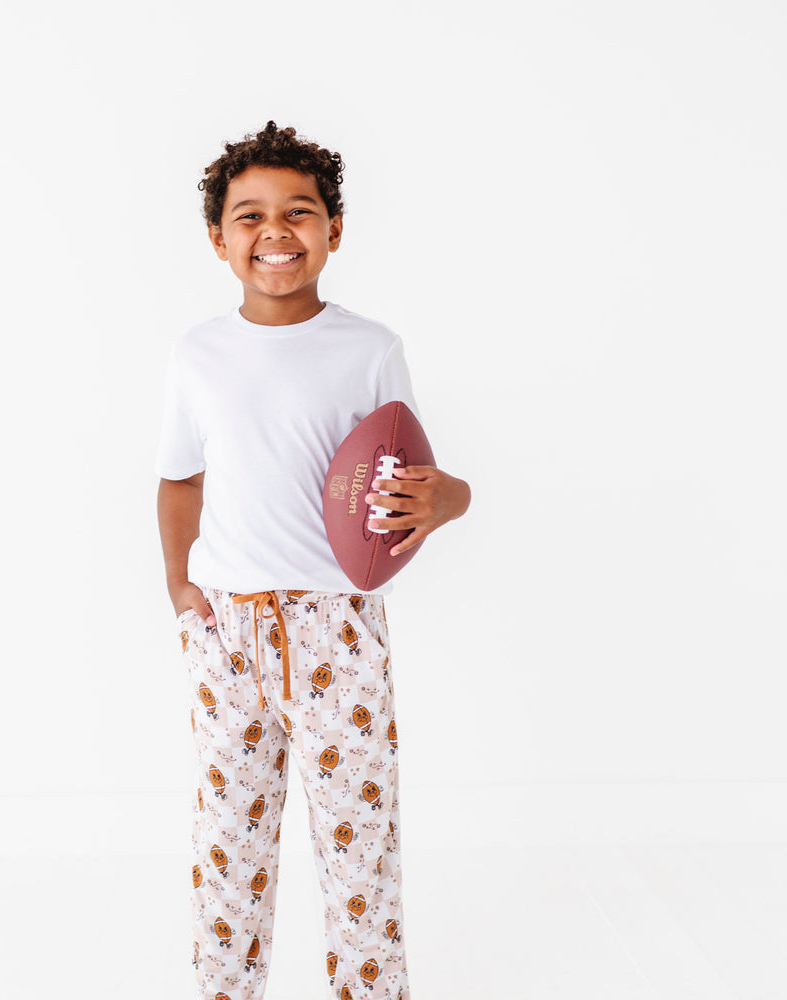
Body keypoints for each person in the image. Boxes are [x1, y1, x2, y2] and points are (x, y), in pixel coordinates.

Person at [155, 121, 470, 1000]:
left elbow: (419, 480)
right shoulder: (198, 355)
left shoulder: (370, 350)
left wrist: (450, 499)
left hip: (339, 632)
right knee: (229, 845)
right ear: (219, 239)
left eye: (300, 211)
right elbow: (179, 481)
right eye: (249, 215)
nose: (277, 231)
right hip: (227, 633)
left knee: (359, 845)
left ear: (334, 228)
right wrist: (184, 595)